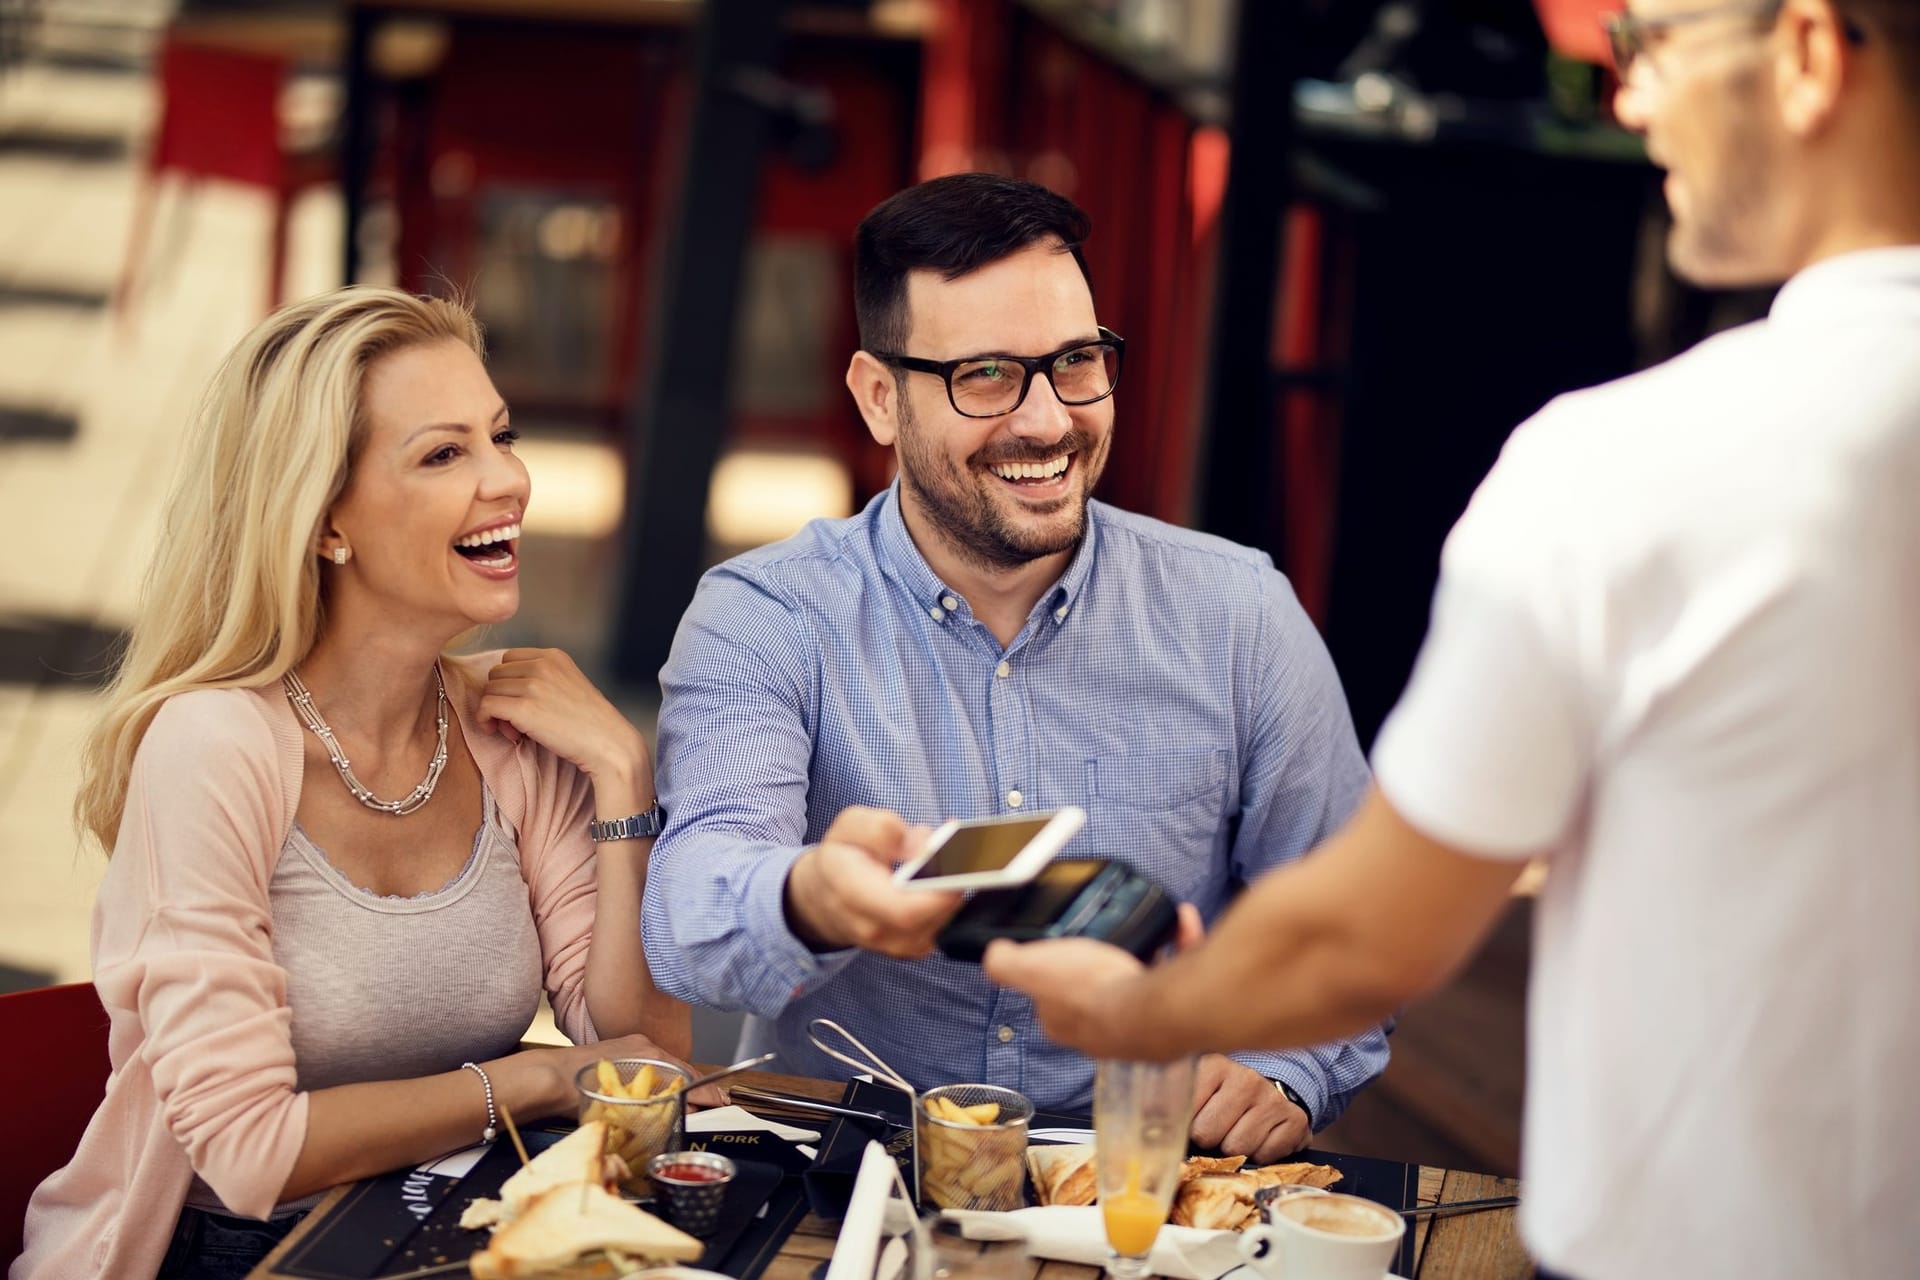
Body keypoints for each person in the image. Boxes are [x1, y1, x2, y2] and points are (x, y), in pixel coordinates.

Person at [984, 1, 1920, 1276]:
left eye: (1645, 45)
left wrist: (1143, 1006)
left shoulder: (1629, 468)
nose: (1629, 100)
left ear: (1809, 52)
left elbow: (1367, 934)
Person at [642, 173, 1389, 1159]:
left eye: (1076, 361)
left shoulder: (1241, 614)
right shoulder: (769, 617)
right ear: (879, 397)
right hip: (854, 1164)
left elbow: (1347, 913)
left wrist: (1288, 1065)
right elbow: (691, 915)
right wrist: (811, 895)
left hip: (1142, 1177)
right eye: (986, 374)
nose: (1047, 421)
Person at [15, 287, 704, 1280]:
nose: (506, 478)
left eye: (499, 435)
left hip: (449, 1226)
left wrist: (623, 780)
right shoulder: (215, 746)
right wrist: (540, 1076)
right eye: (443, 453)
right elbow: (251, 1153)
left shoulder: (512, 729)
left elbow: (642, 1050)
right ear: (325, 519)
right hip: (227, 1250)